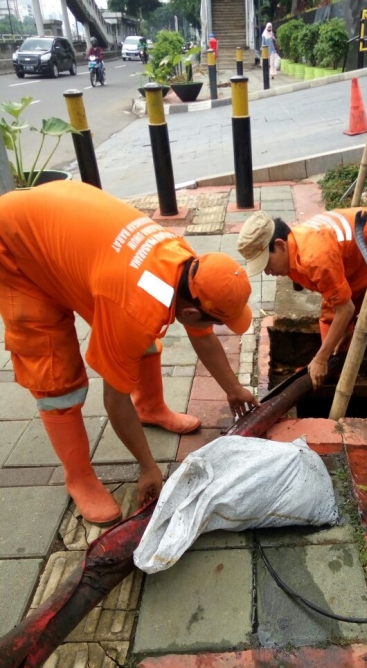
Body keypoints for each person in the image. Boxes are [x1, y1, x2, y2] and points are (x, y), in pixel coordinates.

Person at [0, 182, 257, 527]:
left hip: (68, 240)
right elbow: (114, 400)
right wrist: (148, 467)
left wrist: (233, 389)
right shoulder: (135, 304)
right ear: (193, 310)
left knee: (139, 331)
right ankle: (78, 476)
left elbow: (202, 335)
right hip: (14, 247)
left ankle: (151, 408)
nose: (217, 327)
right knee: (55, 373)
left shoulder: (187, 265)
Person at [237, 207, 367, 417]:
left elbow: (346, 309)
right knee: (331, 317)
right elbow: (337, 306)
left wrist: (320, 358)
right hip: (361, 259)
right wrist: (339, 338)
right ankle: (333, 370)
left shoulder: (314, 257)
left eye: (266, 263)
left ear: (279, 244)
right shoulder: (296, 246)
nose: (267, 272)